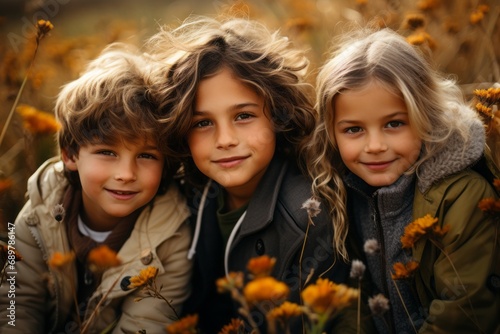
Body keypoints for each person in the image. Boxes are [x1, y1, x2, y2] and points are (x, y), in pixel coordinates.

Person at [147, 15, 367, 333]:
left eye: (244, 116)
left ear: (278, 114)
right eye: (202, 123)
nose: (225, 140)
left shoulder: (306, 215)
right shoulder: (183, 193)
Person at [309, 27, 500, 333]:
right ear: (331, 134)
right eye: (353, 129)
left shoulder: (462, 196)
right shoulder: (343, 195)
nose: (374, 146)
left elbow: (465, 310)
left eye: (394, 123)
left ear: (426, 116)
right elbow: (353, 301)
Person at [0, 44, 192, 333]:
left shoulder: (173, 235)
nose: (126, 174)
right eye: (107, 152)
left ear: (166, 163)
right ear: (71, 155)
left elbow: (146, 324)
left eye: (146, 155)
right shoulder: (36, 212)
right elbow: (15, 306)